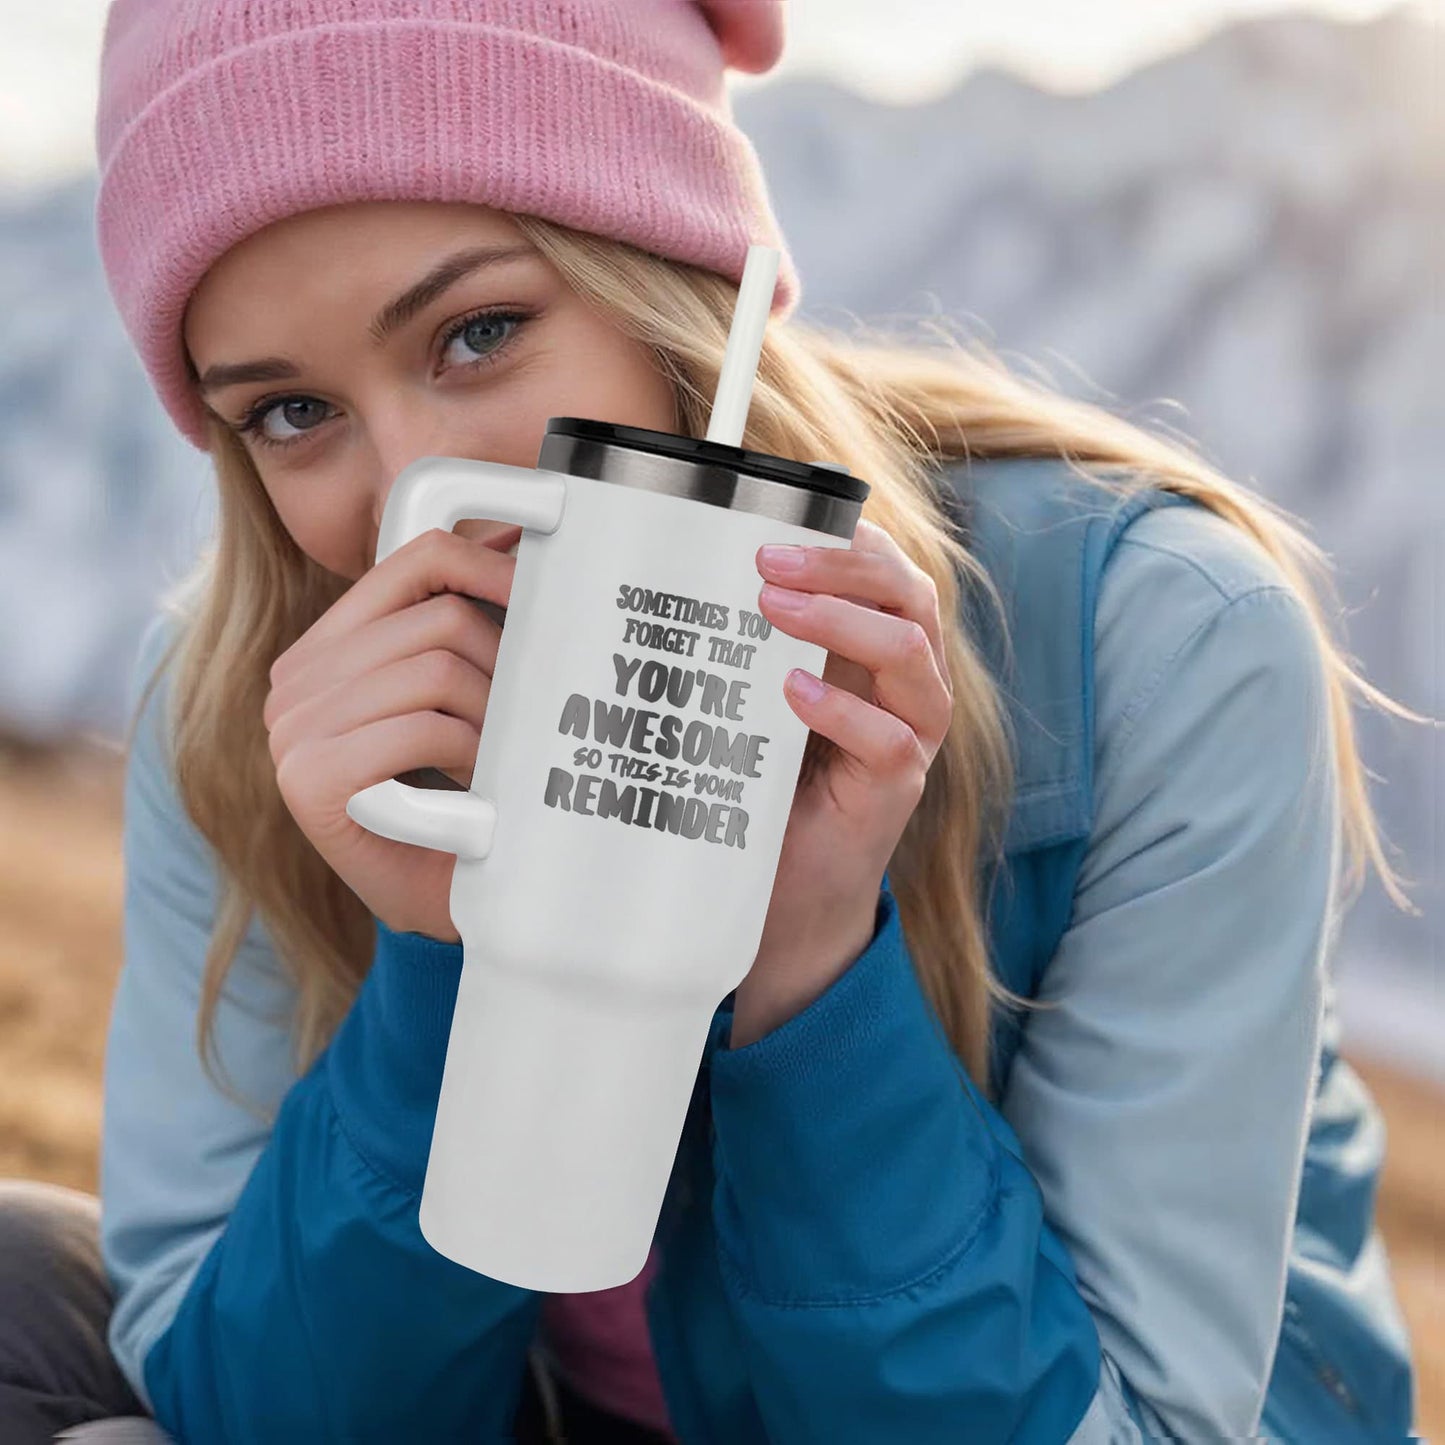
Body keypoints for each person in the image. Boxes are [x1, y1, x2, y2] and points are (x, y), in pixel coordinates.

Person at [0, 0, 1425, 1441]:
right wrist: (445, 962)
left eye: (480, 331)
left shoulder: (1153, 639)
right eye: (293, 412)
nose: (411, 496)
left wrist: (810, 975)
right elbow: (258, 1418)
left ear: (683, 283)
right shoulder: (254, 698)